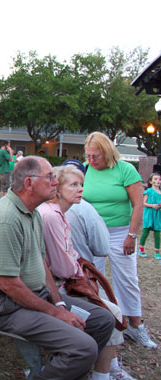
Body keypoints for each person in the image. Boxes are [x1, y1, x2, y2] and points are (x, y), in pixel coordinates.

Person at [0, 156, 114, 379]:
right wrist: (56, 312)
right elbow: (9, 285)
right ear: (29, 183)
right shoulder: (6, 219)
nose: (55, 182)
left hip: (32, 296)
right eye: (49, 177)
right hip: (6, 307)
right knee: (84, 348)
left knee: (102, 320)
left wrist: (58, 301)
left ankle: (66, 368)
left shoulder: (33, 212)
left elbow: (42, 264)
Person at [38, 164, 134, 380]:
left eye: (81, 184)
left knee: (109, 309)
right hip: (55, 290)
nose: (80, 189)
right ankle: (102, 374)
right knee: (112, 313)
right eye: (73, 184)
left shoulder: (58, 213)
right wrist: (78, 268)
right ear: (58, 188)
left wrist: (75, 265)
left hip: (60, 284)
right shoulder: (52, 216)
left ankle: (108, 369)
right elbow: (63, 267)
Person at [82, 131, 156, 349]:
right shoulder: (87, 170)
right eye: (88, 155)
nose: (91, 160)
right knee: (92, 278)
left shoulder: (125, 170)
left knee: (127, 278)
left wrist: (132, 235)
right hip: (92, 232)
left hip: (120, 232)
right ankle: (103, 322)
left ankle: (135, 325)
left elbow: (138, 205)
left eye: (96, 156)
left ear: (107, 152)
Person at [140, 172, 161, 259]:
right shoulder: (148, 191)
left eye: (159, 179)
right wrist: (153, 205)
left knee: (157, 233)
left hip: (157, 214)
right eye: (155, 179)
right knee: (146, 231)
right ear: (151, 181)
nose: (158, 181)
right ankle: (141, 250)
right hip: (149, 214)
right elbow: (143, 203)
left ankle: (157, 252)